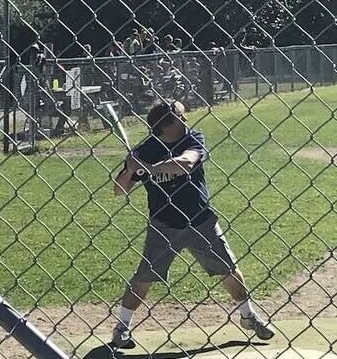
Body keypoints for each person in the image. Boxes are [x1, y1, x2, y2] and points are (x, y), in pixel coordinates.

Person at [110, 101, 274, 349]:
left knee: (229, 268)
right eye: (180, 116)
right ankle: (122, 326)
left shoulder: (192, 138)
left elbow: (186, 163)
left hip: (201, 221)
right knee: (144, 276)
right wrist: (130, 169)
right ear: (167, 125)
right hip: (164, 226)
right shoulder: (145, 150)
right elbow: (119, 190)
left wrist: (149, 168)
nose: (185, 119)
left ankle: (248, 316)